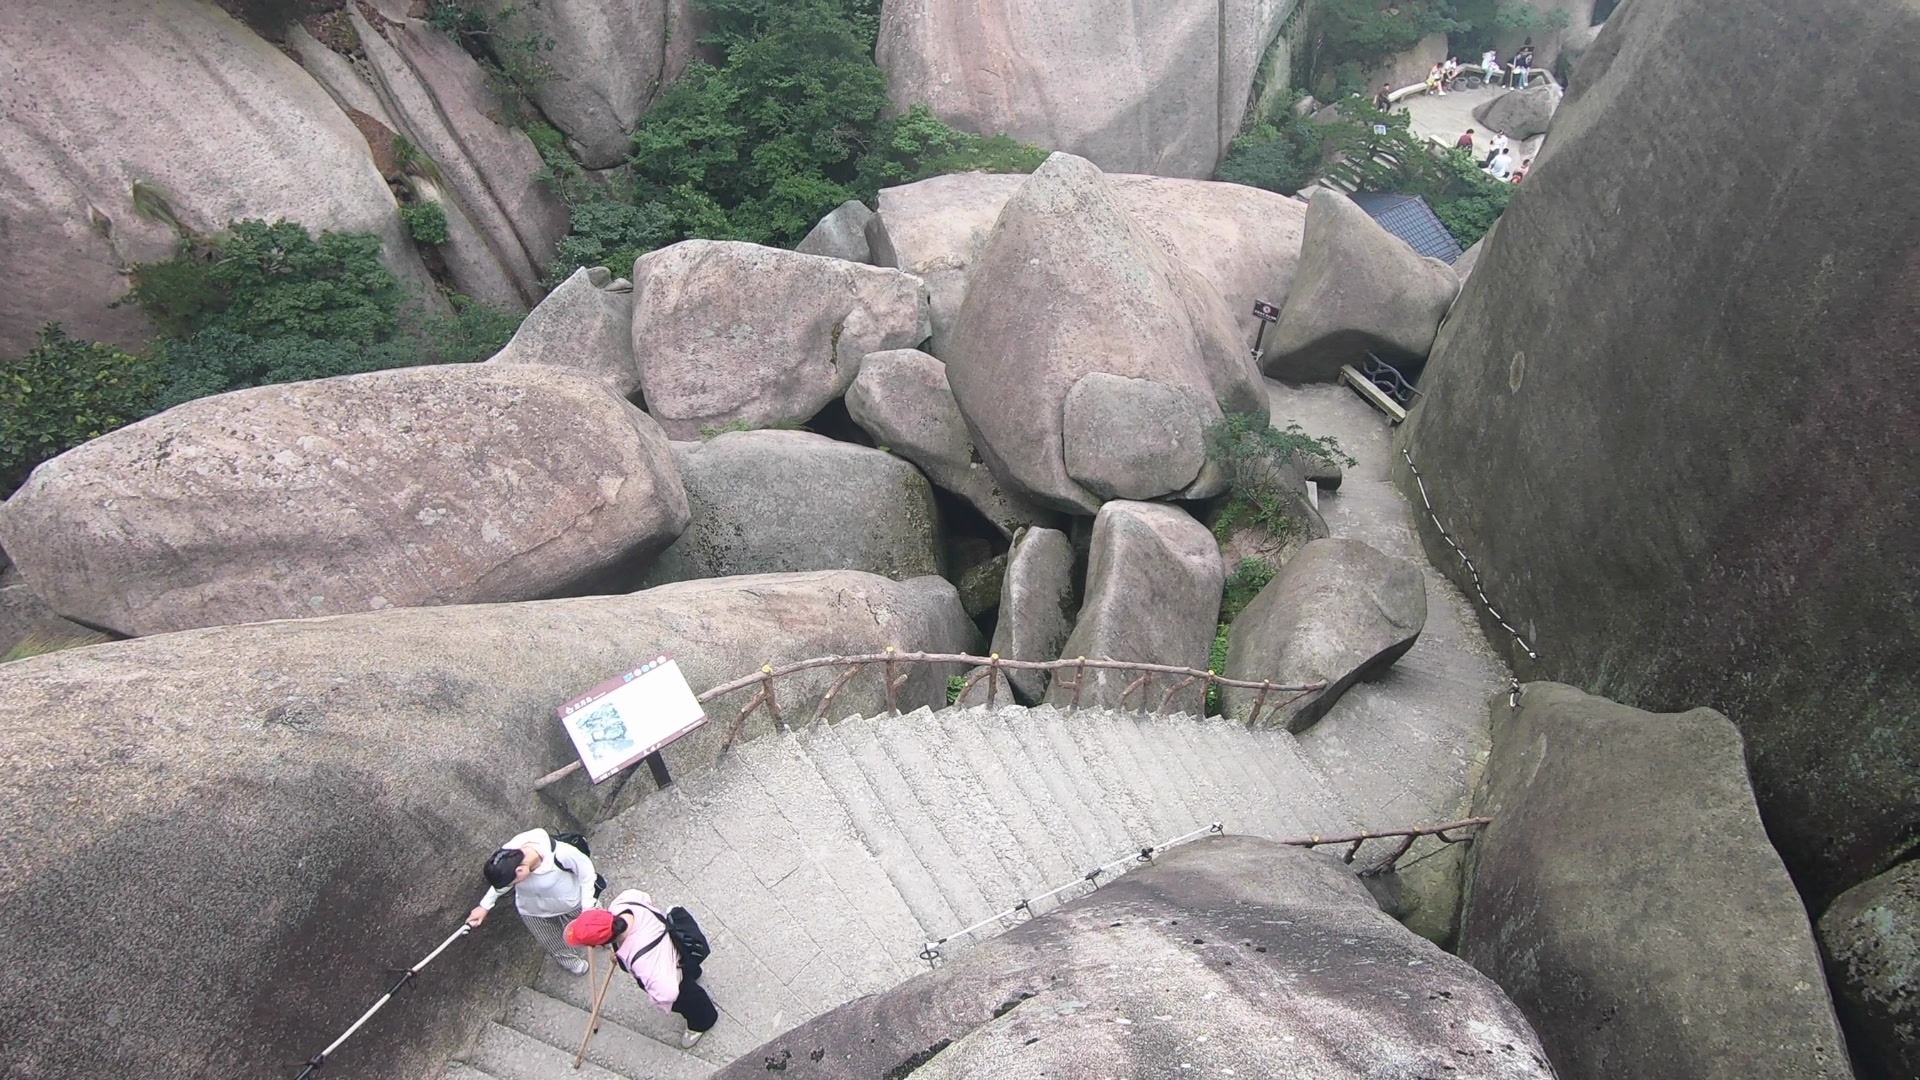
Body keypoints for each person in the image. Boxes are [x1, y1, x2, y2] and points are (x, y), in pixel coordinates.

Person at [567, 891, 718, 1049]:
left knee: (687, 997)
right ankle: (694, 973)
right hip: (675, 945)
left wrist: (655, 998)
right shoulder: (621, 903)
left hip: (668, 971)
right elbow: (644, 897)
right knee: (689, 968)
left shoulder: (644, 964)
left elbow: (669, 993)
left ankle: (703, 1021)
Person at [466, 829, 600, 975]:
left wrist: (588, 907)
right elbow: (502, 883)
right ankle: (572, 963)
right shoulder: (507, 858)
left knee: (595, 927)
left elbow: (587, 875)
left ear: (520, 870)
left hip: (573, 903)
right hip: (532, 910)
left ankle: (605, 938)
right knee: (550, 940)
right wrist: (484, 906)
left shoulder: (562, 853)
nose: (510, 886)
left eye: (513, 883)